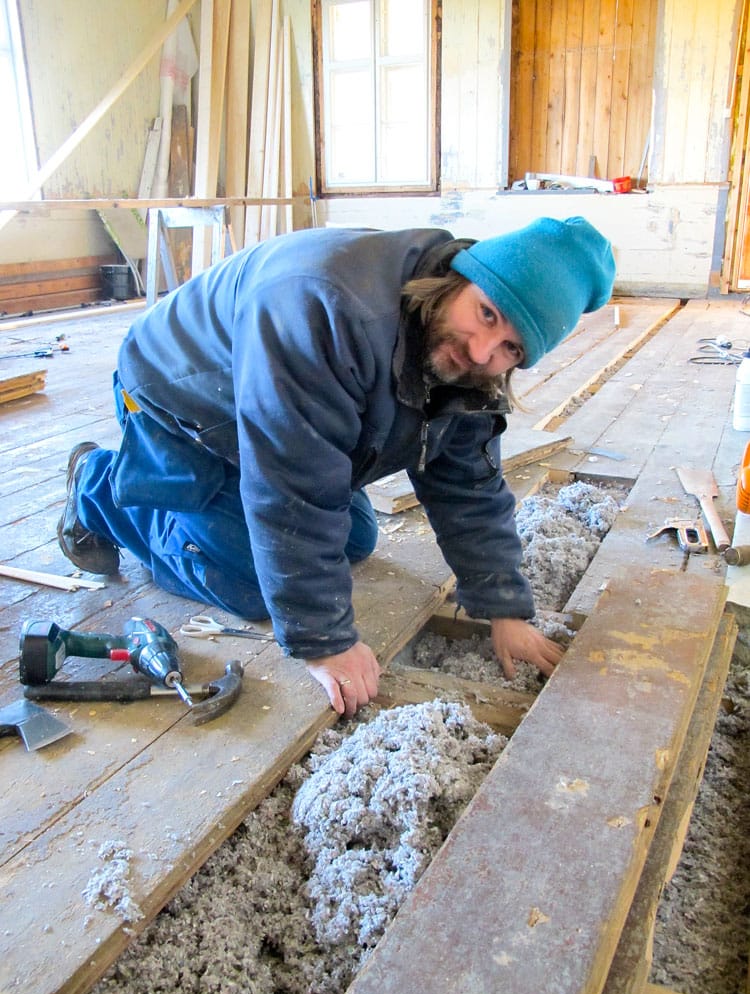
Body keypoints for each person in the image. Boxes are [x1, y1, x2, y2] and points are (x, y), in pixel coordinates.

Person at [58, 217, 615, 717]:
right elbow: (291, 486)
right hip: (184, 398)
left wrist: (503, 608)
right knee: (253, 583)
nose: (480, 351)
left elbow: (465, 480)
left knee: (353, 540)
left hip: (275, 411)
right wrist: (323, 641)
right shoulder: (324, 307)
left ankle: (173, 498)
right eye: (486, 314)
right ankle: (100, 486)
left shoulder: (462, 351)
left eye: (511, 348)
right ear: (460, 276)